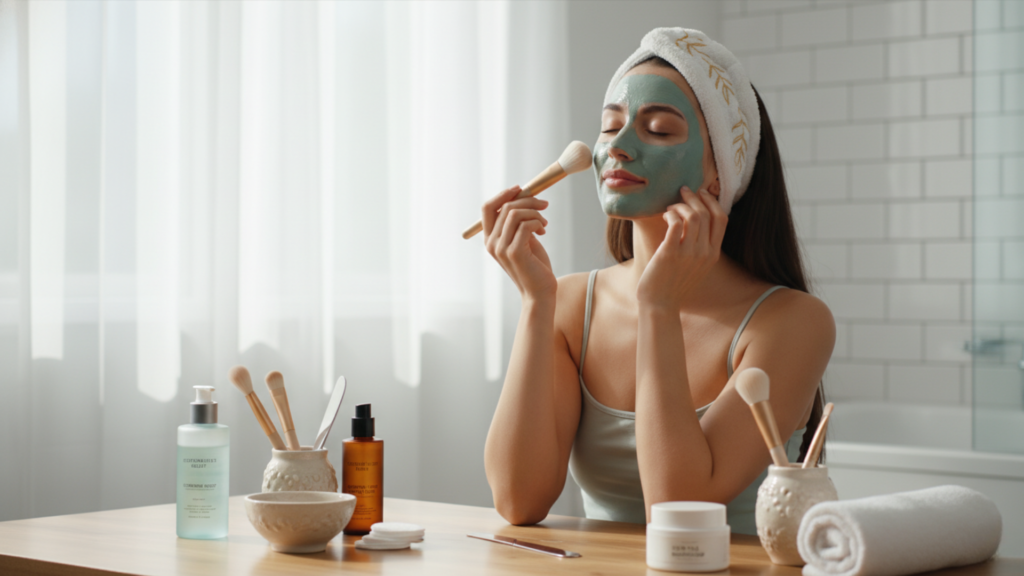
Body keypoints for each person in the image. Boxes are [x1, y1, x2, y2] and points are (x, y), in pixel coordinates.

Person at [479, 28, 835, 535]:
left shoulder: (792, 322)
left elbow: (679, 515)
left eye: (659, 131)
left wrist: (658, 308)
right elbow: (518, 500)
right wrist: (537, 302)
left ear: (720, 174)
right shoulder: (569, 304)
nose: (618, 148)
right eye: (610, 127)